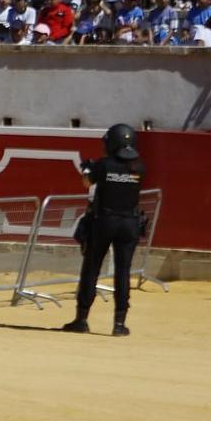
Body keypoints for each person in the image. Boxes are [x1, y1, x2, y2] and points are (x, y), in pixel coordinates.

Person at [62, 123, 146, 336]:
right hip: (129, 224)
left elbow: (86, 182)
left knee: (91, 269)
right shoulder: (139, 167)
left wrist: (87, 168)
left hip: (104, 222)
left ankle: (81, 319)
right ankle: (119, 324)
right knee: (123, 272)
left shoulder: (104, 164)